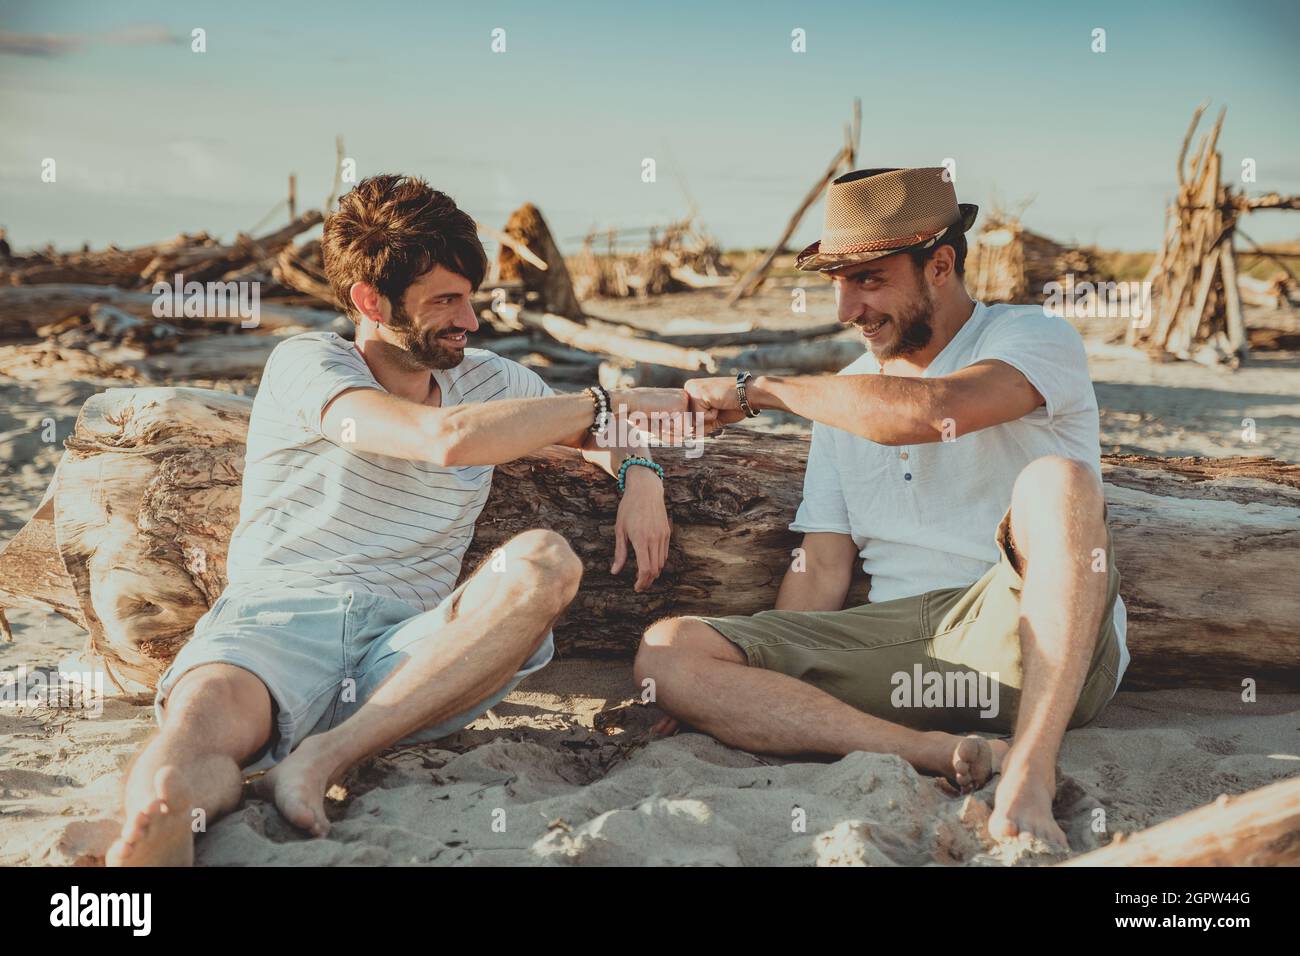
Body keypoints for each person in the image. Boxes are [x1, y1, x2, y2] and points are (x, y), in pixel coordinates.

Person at [108, 174, 686, 865]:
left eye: (470, 298)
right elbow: (440, 440)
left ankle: (321, 759)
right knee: (196, 738)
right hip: (276, 627)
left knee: (545, 564)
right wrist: (599, 403)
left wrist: (640, 475)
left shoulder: (493, 381)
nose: (469, 322)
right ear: (368, 300)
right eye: (445, 301)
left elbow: (608, 425)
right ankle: (155, 825)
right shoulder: (308, 363)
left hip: (410, 653)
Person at [637, 167, 1128, 850]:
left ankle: (1031, 769)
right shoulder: (841, 395)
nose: (846, 309)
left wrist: (759, 390)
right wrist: (742, 675)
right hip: (899, 651)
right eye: (836, 284)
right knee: (667, 654)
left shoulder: (1033, 337)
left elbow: (936, 410)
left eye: (868, 280)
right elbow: (823, 567)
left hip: (1020, 628)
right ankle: (931, 750)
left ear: (942, 265)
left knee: (1061, 482)